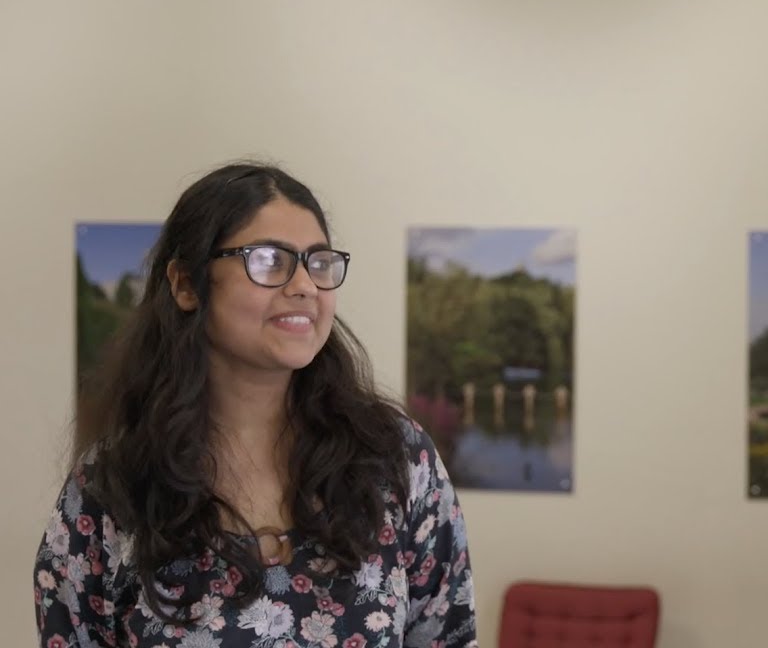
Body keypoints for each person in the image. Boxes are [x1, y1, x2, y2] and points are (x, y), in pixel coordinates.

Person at [34, 162, 477, 647]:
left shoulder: (396, 459)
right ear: (185, 284)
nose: (305, 285)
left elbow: (448, 636)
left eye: (319, 262)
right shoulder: (110, 487)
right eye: (269, 260)